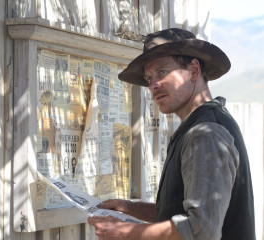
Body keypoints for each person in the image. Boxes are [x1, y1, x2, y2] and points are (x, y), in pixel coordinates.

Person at [88, 28, 256, 240]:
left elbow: (200, 229)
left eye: (162, 72)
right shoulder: (203, 124)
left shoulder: (206, 133)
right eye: (149, 78)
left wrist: (123, 232)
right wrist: (132, 208)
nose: (153, 85)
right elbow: (183, 213)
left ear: (194, 70)